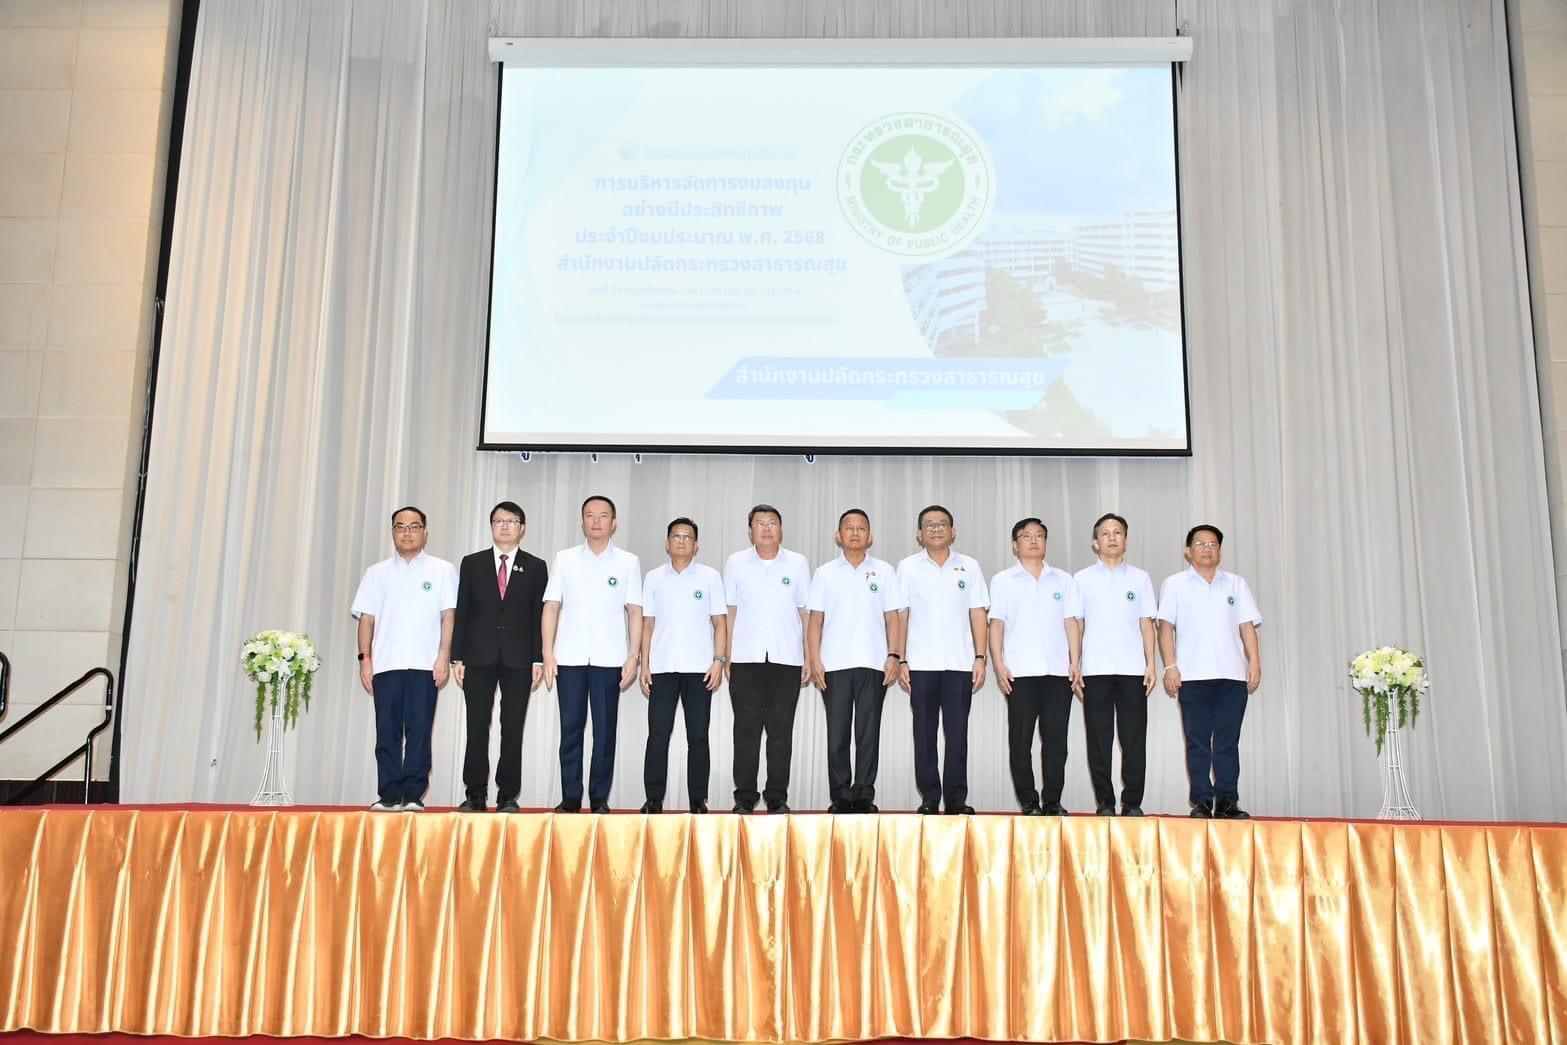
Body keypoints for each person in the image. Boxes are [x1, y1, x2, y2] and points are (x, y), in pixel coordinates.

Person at [350, 506, 457, 812]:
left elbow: (448, 617)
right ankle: (388, 794)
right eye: (400, 527)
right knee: (387, 731)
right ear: (393, 532)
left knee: (420, 730)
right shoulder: (376, 573)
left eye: (414, 527)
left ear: (425, 532)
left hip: (425, 665)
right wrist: (365, 660)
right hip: (386, 664)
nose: (407, 533)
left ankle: (412, 794)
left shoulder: (442, 570)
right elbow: (366, 620)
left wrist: (444, 656)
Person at [541, 495, 643, 813]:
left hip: (609, 659)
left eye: (603, 516)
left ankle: (599, 798)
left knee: (604, 731)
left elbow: (635, 611)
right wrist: (547, 652)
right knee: (570, 729)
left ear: (614, 523)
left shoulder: (628, 562)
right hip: (569, 657)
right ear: (582, 521)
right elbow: (551, 606)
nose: (596, 521)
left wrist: (634, 655)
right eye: (589, 515)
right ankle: (571, 797)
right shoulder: (565, 559)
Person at [1157, 524, 1263, 819]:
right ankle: (1202, 800)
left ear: (1220, 552)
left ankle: (1227, 800)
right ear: (1188, 551)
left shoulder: (1236, 584)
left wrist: (1254, 662)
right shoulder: (1175, 584)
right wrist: (1170, 666)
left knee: (1228, 742)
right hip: (1192, 676)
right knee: (1198, 741)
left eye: (1213, 544)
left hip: (1232, 676)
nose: (1207, 549)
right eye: (1200, 544)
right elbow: (1165, 628)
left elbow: (1247, 626)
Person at [806, 509, 907, 813]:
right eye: (848, 528)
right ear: (838, 536)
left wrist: (894, 656)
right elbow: (815, 621)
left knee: (868, 734)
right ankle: (840, 796)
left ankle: (863, 795)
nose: (854, 533)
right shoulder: (825, 573)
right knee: (837, 734)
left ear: (870, 536)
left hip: (873, 664)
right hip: (833, 666)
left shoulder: (884, 572)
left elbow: (893, 618)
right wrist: (814, 660)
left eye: (860, 528)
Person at [451, 501, 548, 813]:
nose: (505, 526)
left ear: (522, 528)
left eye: (512, 521)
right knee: (477, 726)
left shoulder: (536, 566)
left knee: (513, 726)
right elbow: (463, 610)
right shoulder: (472, 563)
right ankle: (475, 793)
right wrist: (457, 657)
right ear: (491, 526)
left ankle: (508, 795)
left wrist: (538, 659)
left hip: (519, 659)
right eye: (499, 521)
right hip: (478, 656)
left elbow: (539, 615)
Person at [895, 505, 989, 815]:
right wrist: (902, 659)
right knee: (924, 733)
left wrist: (980, 657)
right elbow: (902, 615)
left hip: (959, 664)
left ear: (953, 531)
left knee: (957, 733)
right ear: (919, 534)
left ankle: (956, 798)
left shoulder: (969, 567)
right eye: (930, 525)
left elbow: (978, 613)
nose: (936, 529)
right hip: (920, 664)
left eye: (942, 524)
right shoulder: (908, 567)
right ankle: (930, 797)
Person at [988, 517, 1082, 816]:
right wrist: (999, 664)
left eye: (1039, 535)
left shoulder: (1063, 580)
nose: (1033, 540)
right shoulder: (1003, 580)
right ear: (1015, 545)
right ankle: (1029, 801)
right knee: (1021, 740)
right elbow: (996, 625)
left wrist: (1076, 661)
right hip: (1020, 673)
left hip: (1058, 672)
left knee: (1056, 741)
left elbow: (1071, 623)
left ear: (1046, 542)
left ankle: (1052, 800)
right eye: (1026, 536)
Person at [723, 504, 811, 813]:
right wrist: (727, 655)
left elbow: (805, 612)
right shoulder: (736, 563)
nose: (766, 528)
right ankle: (744, 797)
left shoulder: (797, 564)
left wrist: (809, 656)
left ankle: (776, 797)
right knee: (745, 731)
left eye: (772, 523)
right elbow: (730, 611)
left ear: (781, 529)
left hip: (787, 658)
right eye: (760, 523)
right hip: (746, 658)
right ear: (750, 531)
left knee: (780, 732)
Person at [638, 517, 727, 814]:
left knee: (698, 736)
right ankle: (653, 799)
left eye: (687, 537)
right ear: (667, 543)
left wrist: (719, 661)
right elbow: (647, 625)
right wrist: (645, 664)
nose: (681, 541)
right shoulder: (653, 578)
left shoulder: (710, 577)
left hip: (700, 669)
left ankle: (698, 800)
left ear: (696, 545)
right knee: (658, 735)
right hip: (662, 668)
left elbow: (720, 622)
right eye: (676, 536)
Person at [1072, 513, 1157, 817]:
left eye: (1117, 532)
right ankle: (1105, 802)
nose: (1111, 537)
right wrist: (1075, 664)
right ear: (1096, 542)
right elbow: (1077, 625)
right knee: (1099, 739)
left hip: (1133, 671)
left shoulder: (1140, 578)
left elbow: (1146, 623)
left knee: (1133, 739)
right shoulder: (1081, 579)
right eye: (1105, 533)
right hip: (1094, 671)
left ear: (1126, 540)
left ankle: (1132, 802)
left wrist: (1151, 663)